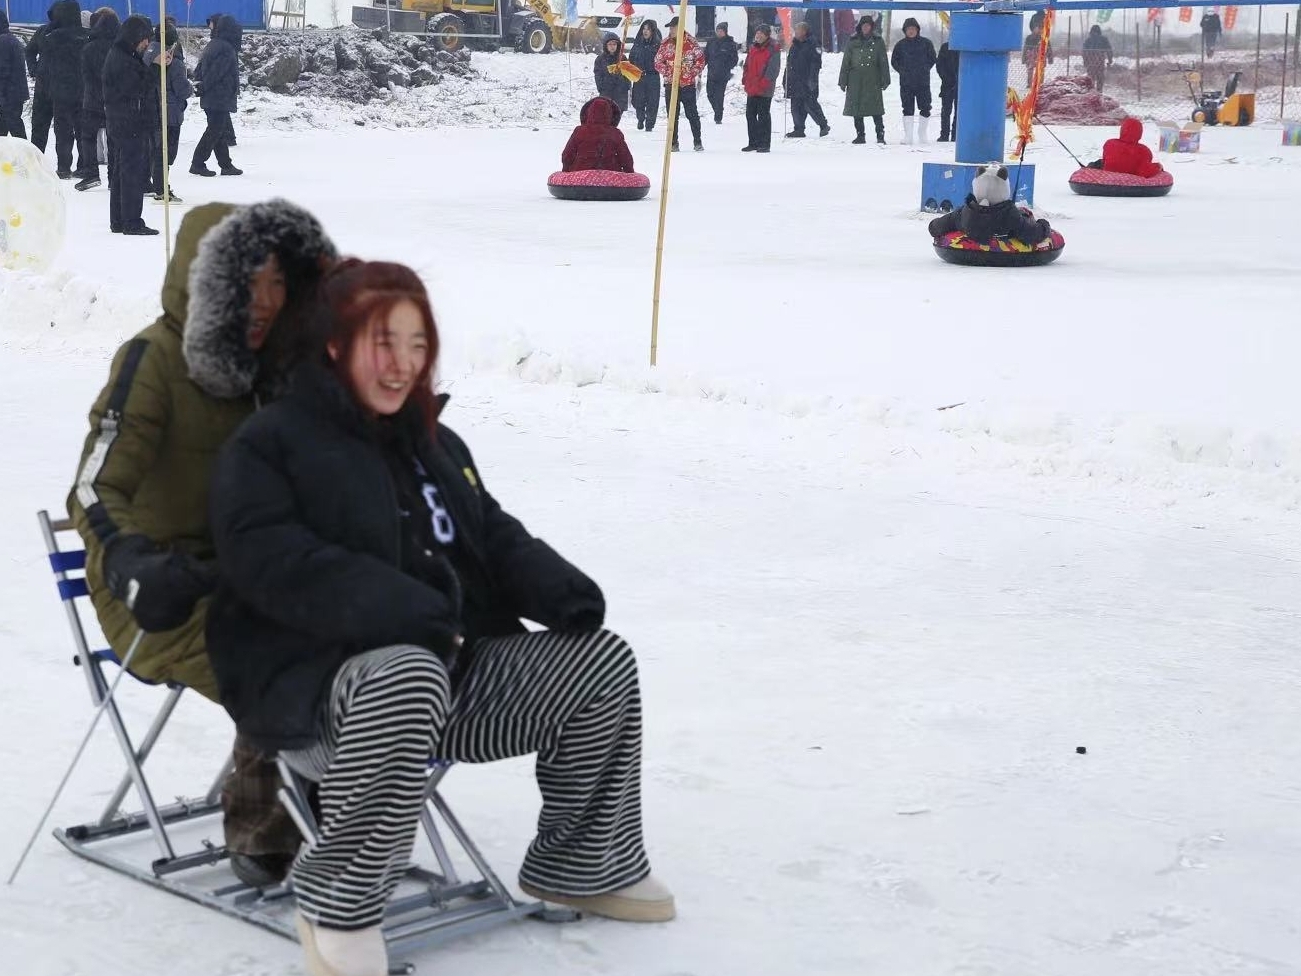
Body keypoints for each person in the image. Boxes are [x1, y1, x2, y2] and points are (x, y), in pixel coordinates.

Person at [206, 258, 674, 976]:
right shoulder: (270, 447)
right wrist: (407, 608)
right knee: (406, 670)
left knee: (599, 663)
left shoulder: (432, 443)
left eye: (415, 344)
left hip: (448, 676)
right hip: (320, 702)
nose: (401, 364)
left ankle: (583, 861)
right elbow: (275, 569)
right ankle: (338, 902)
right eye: (380, 343)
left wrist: (559, 591)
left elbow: (490, 534)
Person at [69, 200, 338, 889]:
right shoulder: (152, 359)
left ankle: (348, 803)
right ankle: (263, 827)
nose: (265, 301)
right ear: (207, 280)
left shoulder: (284, 373)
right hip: (156, 591)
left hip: (259, 578)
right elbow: (95, 485)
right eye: (248, 282)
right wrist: (129, 557)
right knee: (280, 648)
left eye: (280, 283)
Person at [101, 14, 160, 235]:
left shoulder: (123, 55)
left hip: (121, 120)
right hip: (129, 122)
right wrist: (154, 68)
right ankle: (131, 221)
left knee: (121, 172)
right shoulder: (122, 59)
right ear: (133, 36)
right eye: (144, 39)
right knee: (131, 173)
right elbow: (138, 88)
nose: (146, 43)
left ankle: (118, 219)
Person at [927, 163, 1051, 245]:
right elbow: (1030, 233)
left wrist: (933, 226)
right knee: (1025, 216)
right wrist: (1044, 226)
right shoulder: (1009, 214)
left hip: (969, 246)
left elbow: (942, 224)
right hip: (1001, 247)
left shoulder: (966, 211)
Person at [39, 0, 88, 178]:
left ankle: (64, 167)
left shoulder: (52, 37)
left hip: (60, 90)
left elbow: (44, 60)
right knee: (83, 129)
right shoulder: (86, 36)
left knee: (63, 131)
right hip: (83, 89)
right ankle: (84, 164)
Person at [145, 18, 192, 202]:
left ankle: (154, 184)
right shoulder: (173, 61)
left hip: (150, 108)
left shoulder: (147, 53)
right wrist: (190, 87)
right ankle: (162, 188)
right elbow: (182, 89)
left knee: (154, 149)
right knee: (166, 152)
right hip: (170, 112)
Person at [191, 13, 242, 177]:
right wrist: (207, 86)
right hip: (218, 96)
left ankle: (226, 165)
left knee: (218, 132)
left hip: (213, 96)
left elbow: (200, 69)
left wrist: (202, 87)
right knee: (214, 131)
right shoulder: (226, 48)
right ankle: (197, 163)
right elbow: (216, 73)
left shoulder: (214, 44)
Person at [73, 7, 117, 191]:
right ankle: (113, 175)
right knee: (113, 138)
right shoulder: (118, 47)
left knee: (88, 136)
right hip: (114, 99)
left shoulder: (89, 47)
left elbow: (85, 75)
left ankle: (91, 172)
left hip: (91, 98)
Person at [654, 17, 705, 152]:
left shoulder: (692, 43)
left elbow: (700, 61)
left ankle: (697, 141)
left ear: (680, 27)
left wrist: (690, 73)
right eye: (670, 28)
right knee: (672, 115)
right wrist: (668, 72)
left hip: (687, 85)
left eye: (673, 27)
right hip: (671, 84)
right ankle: (673, 142)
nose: (670, 30)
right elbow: (658, 62)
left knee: (692, 113)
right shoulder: (665, 44)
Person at [839, 16, 889, 145]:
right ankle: (860, 135)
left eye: (868, 25)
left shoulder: (878, 41)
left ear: (872, 27)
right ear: (860, 27)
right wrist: (843, 81)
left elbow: (883, 61)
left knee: (876, 109)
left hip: (873, 79)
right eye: (863, 25)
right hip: (855, 79)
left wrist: (885, 79)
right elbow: (846, 62)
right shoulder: (852, 40)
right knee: (857, 109)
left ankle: (880, 135)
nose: (866, 27)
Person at [890, 17, 936, 145]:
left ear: (917, 30)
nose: (911, 31)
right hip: (906, 82)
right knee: (907, 108)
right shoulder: (900, 45)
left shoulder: (926, 43)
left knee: (925, 107)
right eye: (908, 29)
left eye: (913, 29)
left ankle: (922, 134)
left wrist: (924, 68)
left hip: (923, 82)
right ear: (905, 30)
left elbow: (932, 58)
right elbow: (894, 61)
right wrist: (902, 71)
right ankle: (908, 136)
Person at [561, 96, 634, 172]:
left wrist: (566, 170)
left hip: (581, 174)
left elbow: (567, 155)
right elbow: (626, 158)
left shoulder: (579, 131)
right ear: (610, 115)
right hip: (610, 175)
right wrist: (629, 172)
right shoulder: (615, 133)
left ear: (588, 113)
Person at [784, 21, 828, 138]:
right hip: (794, 80)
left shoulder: (813, 43)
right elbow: (789, 63)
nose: (796, 32)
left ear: (804, 31)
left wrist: (812, 79)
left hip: (807, 80)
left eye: (798, 30)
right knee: (795, 106)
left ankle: (823, 125)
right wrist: (786, 79)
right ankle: (798, 129)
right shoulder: (794, 45)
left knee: (810, 104)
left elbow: (816, 62)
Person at [740, 24, 779, 153]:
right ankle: (753, 142)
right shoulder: (752, 48)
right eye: (757, 34)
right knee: (750, 115)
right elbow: (747, 65)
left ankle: (764, 144)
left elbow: (773, 70)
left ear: (767, 35)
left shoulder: (773, 49)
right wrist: (745, 79)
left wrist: (764, 83)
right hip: (752, 87)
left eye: (761, 34)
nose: (758, 36)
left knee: (763, 116)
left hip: (764, 89)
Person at [25, 6, 57, 151]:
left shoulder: (73, 33)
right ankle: (36, 157)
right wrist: (34, 69)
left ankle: (64, 164)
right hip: (44, 86)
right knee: (39, 127)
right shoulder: (43, 31)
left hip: (62, 85)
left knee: (63, 128)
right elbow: (30, 50)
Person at [0, 10, 30, 139]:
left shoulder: (3, 42)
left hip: (8, 95)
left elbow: (2, 71)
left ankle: (25, 157)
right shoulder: (10, 39)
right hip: (14, 92)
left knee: (14, 128)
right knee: (8, 127)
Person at [628, 19, 661, 131]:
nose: (646, 31)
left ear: (653, 31)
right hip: (639, 76)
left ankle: (650, 124)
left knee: (652, 101)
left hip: (653, 76)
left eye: (648, 29)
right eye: (644, 29)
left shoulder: (658, 45)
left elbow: (662, 60)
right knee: (639, 100)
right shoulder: (637, 44)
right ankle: (641, 118)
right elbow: (631, 58)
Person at [703, 21, 738, 124]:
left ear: (725, 32)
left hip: (722, 75)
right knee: (710, 94)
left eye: (721, 31)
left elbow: (734, 59)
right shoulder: (711, 42)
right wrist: (701, 66)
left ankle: (718, 117)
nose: (719, 33)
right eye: (717, 30)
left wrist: (727, 67)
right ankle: (718, 109)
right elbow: (706, 56)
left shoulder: (730, 44)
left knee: (719, 96)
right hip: (711, 73)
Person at [593, 33, 630, 119]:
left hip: (620, 93)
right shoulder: (600, 59)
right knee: (606, 115)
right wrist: (601, 86)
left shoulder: (622, 58)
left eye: (614, 44)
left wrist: (626, 85)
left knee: (616, 116)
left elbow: (627, 74)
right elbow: (598, 74)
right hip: (606, 92)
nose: (612, 46)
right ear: (605, 45)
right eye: (609, 44)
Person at [936, 40, 959, 142]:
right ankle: (944, 134)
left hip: (962, 85)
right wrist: (946, 78)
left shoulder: (964, 48)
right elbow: (939, 65)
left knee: (959, 111)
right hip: (947, 84)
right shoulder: (945, 47)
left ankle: (956, 134)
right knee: (946, 110)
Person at [1080, 25, 1113, 94]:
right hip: (1100, 61)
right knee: (1100, 79)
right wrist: (1110, 60)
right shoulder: (1104, 39)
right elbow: (1109, 50)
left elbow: (1084, 51)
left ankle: (1091, 93)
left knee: (1091, 79)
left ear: (1091, 31)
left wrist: (1085, 61)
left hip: (1090, 62)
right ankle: (1099, 93)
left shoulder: (1088, 40)